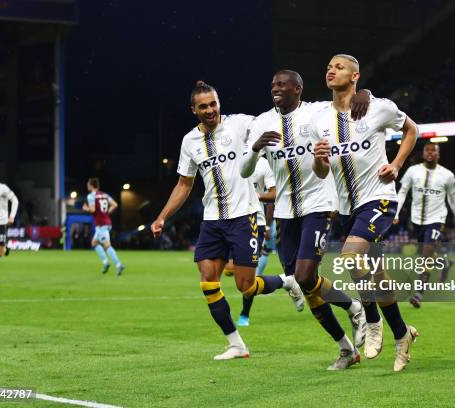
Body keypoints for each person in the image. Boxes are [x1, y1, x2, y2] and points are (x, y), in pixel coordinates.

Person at [151, 81, 302, 361]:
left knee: (245, 285)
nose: (210, 110)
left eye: (213, 103)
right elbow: (184, 185)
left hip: (244, 216)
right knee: (208, 282)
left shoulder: (241, 124)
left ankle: (287, 282)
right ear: (193, 110)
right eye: (203, 106)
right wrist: (162, 217)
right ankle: (236, 344)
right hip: (212, 220)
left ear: (219, 102)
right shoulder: (189, 141)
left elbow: (274, 121)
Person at [242, 70, 370, 370]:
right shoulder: (262, 122)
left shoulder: (316, 112)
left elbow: (349, 102)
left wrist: (365, 95)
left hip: (319, 204)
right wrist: (256, 148)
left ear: (298, 89)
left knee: (302, 277)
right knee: (307, 284)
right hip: (285, 212)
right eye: (273, 84)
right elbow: (245, 172)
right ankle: (346, 344)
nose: (276, 88)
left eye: (282, 84)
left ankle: (353, 312)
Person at [311, 54, 419, 372]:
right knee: (378, 276)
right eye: (328, 66)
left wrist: (396, 165)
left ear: (355, 75)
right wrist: (319, 159)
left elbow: (412, 129)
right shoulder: (320, 118)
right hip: (348, 207)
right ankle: (402, 334)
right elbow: (320, 173)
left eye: (339, 66)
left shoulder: (378, 107)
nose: (331, 70)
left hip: (379, 198)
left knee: (350, 256)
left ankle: (371, 321)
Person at [393, 142, 455, 307]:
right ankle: (445, 263)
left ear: (438, 154)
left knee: (427, 254)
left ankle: (418, 293)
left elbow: (453, 201)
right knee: (425, 254)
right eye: (427, 150)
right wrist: (396, 212)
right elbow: (402, 192)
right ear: (423, 153)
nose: (430, 153)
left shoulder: (447, 175)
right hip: (416, 220)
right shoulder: (413, 171)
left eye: (433, 150)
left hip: (436, 219)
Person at [223, 156, 280, 327]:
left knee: (250, 280)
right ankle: (285, 281)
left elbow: (272, 198)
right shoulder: (230, 159)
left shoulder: (263, 164)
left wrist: (269, 226)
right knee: (230, 270)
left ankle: (244, 314)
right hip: (231, 222)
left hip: (257, 223)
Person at [82, 178, 125, 275]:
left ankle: (119, 264)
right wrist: (106, 213)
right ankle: (106, 263)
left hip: (101, 224)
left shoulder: (91, 196)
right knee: (94, 243)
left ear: (92, 185)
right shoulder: (104, 195)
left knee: (106, 245)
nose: (87, 185)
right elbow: (115, 204)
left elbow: (92, 210)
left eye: (88, 184)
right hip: (106, 222)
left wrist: (85, 208)